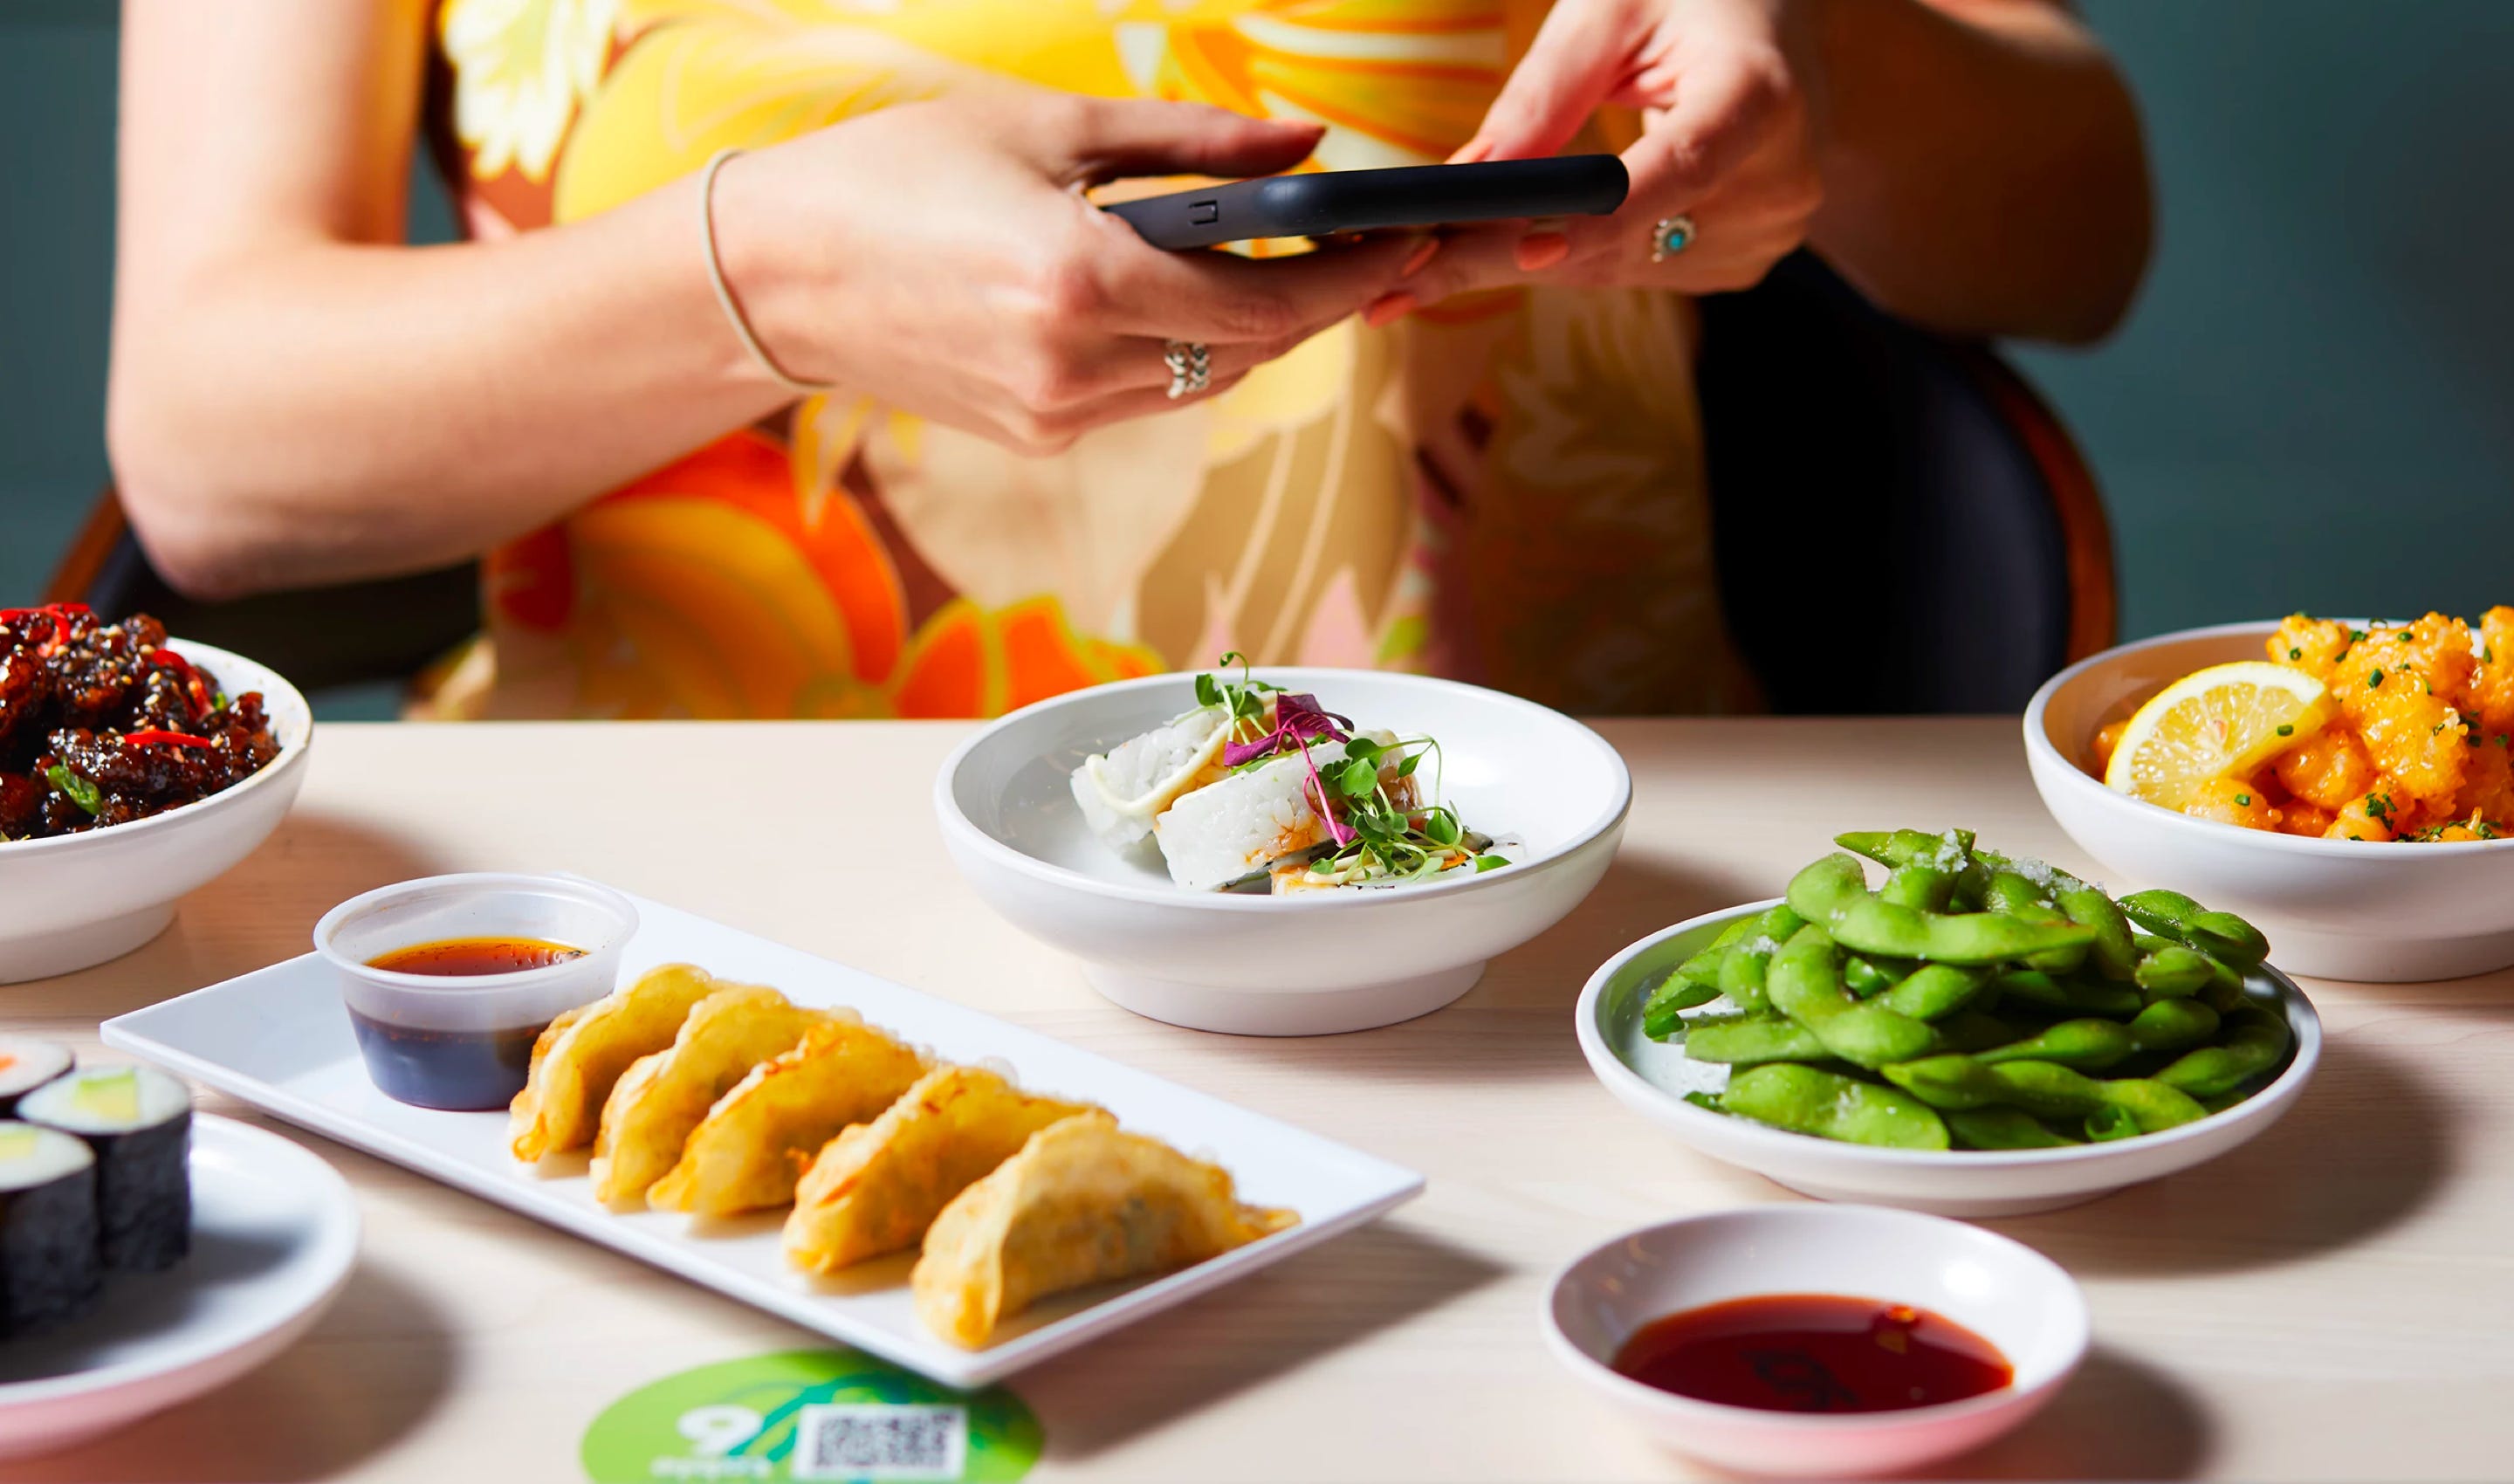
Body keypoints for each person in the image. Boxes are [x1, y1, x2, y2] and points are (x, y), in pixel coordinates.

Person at [107, 0, 2149, 720]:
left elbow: (2085, 221)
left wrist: (1837, 65)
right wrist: (768, 276)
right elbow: (210, 434)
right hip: (656, 915)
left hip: (1535, 905)